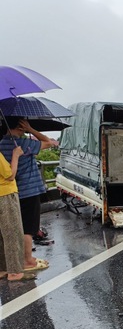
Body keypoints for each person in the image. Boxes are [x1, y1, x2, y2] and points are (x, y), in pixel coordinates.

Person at [0, 118, 55, 272]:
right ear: (20, 126)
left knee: (17, 227)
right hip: (29, 191)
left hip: (12, 192)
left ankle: (17, 260)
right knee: (29, 228)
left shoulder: (1, 145)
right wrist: (31, 129)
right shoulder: (22, 144)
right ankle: (27, 260)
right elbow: (49, 142)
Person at [0, 142, 34, 281]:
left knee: (1, 236)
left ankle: (3, 269)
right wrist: (16, 155)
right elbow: (10, 175)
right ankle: (14, 272)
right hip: (5, 194)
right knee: (12, 233)